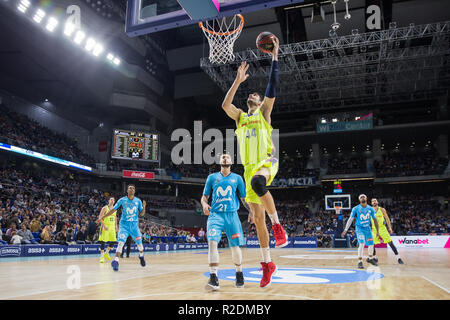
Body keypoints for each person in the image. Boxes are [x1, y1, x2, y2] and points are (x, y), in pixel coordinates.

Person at [221, 36, 288, 288]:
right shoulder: (240, 117)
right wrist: (237, 81)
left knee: (260, 182)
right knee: (258, 221)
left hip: (267, 162)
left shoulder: (264, 114)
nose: (254, 95)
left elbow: (272, 86)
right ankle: (267, 263)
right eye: (252, 94)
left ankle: (279, 226)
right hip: (249, 170)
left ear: (260, 104)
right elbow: (225, 104)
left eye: (256, 96)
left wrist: (275, 56)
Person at [201, 153, 250, 290]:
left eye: (227, 157)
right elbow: (204, 197)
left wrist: (251, 211)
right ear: (219, 161)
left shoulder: (238, 178)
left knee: (235, 246)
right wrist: (204, 205)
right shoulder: (212, 177)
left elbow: (244, 199)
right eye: (223, 157)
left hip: (232, 215)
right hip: (215, 215)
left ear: (231, 161)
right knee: (212, 243)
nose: (225, 158)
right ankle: (213, 278)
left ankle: (239, 274)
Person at [98, 185, 146, 271]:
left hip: (134, 226)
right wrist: (104, 216)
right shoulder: (122, 200)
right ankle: (116, 262)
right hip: (124, 226)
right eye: (129, 188)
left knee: (140, 245)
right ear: (127, 190)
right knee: (120, 243)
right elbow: (113, 210)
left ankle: (141, 256)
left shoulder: (138, 201)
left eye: (133, 188)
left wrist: (144, 207)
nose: (131, 189)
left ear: (134, 191)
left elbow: (142, 214)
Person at [342, 194, 380, 269]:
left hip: (367, 229)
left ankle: (370, 258)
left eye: (364, 197)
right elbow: (350, 219)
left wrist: (377, 231)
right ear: (359, 200)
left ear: (366, 198)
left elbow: (375, 220)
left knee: (371, 244)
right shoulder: (355, 209)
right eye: (361, 197)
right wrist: (345, 230)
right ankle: (360, 261)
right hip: (359, 229)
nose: (362, 198)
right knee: (362, 243)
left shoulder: (370, 209)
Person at [371, 198, 404, 265]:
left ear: (377, 202)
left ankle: (398, 258)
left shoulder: (382, 209)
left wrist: (390, 227)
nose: (374, 202)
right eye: (373, 201)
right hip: (374, 229)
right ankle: (375, 257)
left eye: (375, 201)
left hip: (382, 228)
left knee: (390, 243)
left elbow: (387, 219)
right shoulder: (369, 210)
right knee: (372, 244)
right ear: (371, 203)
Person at [98, 197, 118, 263]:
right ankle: (102, 256)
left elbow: (115, 218)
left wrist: (116, 226)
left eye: (113, 200)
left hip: (112, 227)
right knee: (103, 241)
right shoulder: (105, 208)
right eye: (111, 199)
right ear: (108, 200)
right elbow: (100, 218)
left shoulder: (115, 209)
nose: (112, 201)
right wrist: (104, 226)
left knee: (114, 240)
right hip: (105, 226)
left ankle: (107, 252)